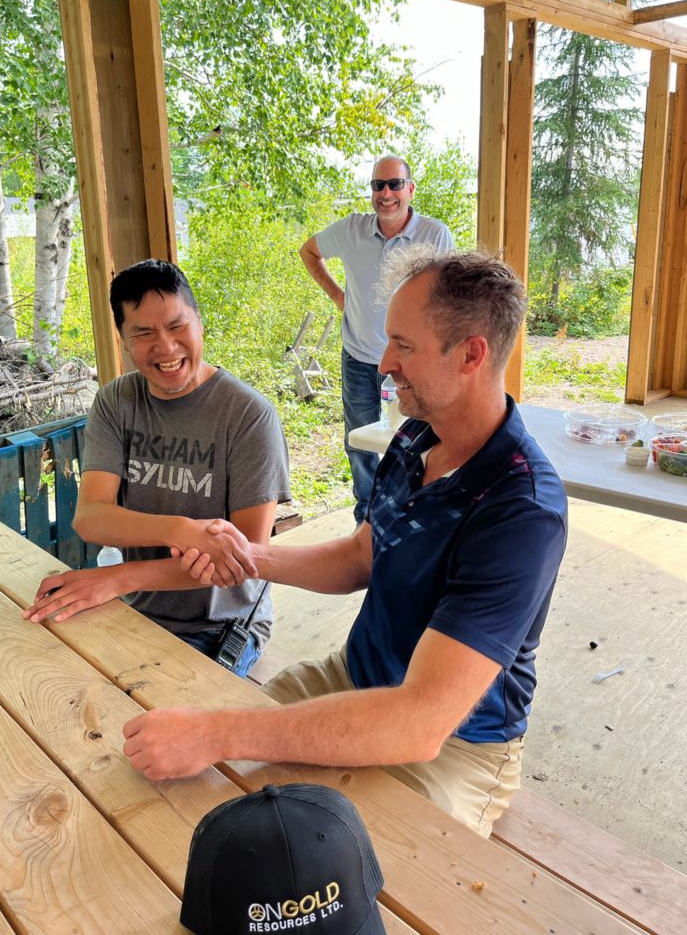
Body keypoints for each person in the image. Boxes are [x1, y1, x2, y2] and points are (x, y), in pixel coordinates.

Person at [120, 249, 568, 837]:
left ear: (471, 355)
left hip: (455, 744)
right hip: (351, 677)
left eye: (403, 346)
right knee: (195, 804)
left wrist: (217, 733)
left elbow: (419, 723)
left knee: (345, 866)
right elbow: (362, 557)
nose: (384, 363)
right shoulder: (416, 437)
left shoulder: (521, 510)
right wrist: (247, 556)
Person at [24, 259, 290, 677]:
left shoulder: (248, 415)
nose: (165, 348)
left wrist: (119, 579)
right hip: (136, 607)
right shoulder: (116, 402)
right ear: (123, 341)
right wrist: (180, 530)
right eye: (144, 333)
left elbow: (247, 558)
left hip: (218, 625)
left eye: (177, 326)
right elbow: (91, 517)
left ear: (200, 323)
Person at [298, 156, 453, 524]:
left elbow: (449, 294)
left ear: (410, 189)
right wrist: (338, 296)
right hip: (358, 357)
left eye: (394, 184)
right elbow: (309, 251)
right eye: (377, 185)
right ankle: (366, 519)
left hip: (411, 363)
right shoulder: (351, 230)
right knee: (359, 443)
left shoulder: (434, 235)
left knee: (418, 439)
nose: (386, 193)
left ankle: (412, 513)